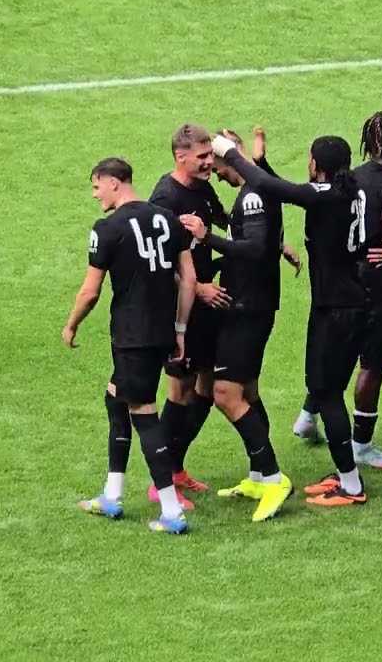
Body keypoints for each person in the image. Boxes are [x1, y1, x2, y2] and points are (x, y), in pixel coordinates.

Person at [213, 132, 370, 507]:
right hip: (347, 302)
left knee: (326, 393)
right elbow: (283, 189)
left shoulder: (329, 194)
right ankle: (346, 475)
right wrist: (260, 163)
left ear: (317, 164)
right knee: (323, 389)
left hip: (337, 308)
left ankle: (351, 485)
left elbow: (278, 189)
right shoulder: (349, 190)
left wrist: (232, 155)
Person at [65, 157, 197, 534]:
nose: (95, 195)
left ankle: (171, 511)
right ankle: (112, 494)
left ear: (113, 182)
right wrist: (180, 330)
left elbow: (90, 292)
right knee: (115, 397)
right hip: (161, 332)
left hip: (131, 335)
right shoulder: (169, 219)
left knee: (143, 412)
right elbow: (188, 280)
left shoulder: (108, 229)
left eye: (96, 187)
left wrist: (71, 324)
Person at [179, 129, 292, 522]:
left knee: (226, 394)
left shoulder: (254, 196)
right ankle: (261, 475)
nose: (212, 167)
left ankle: (274, 478)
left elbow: (255, 248)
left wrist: (207, 236)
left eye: (216, 158)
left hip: (249, 307)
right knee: (247, 390)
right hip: (250, 303)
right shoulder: (257, 188)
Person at [146, 123, 229, 509]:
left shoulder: (204, 188)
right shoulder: (165, 198)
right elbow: (161, 263)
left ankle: (176, 468)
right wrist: (197, 289)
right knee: (179, 392)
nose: (209, 162)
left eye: (211, 155)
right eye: (202, 157)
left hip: (208, 303)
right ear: (181, 157)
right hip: (183, 305)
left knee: (207, 388)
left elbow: (227, 226)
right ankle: (159, 481)